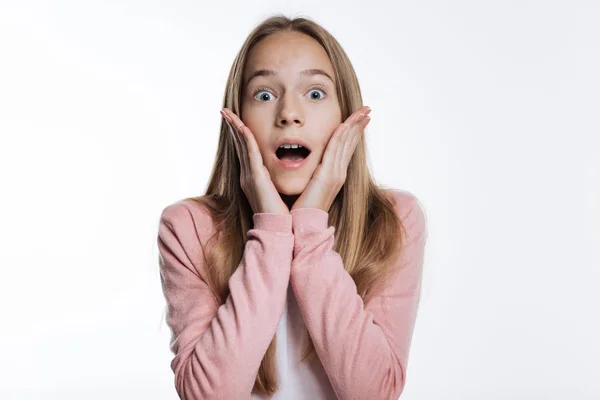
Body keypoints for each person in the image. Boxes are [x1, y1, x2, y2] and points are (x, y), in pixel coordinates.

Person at [157, 14, 428, 400]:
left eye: (315, 93)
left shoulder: (394, 220)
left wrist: (310, 226)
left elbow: (373, 394)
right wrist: (271, 229)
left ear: (346, 115)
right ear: (236, 118)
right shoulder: (188, 227)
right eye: (264, 95)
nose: (289, 113)